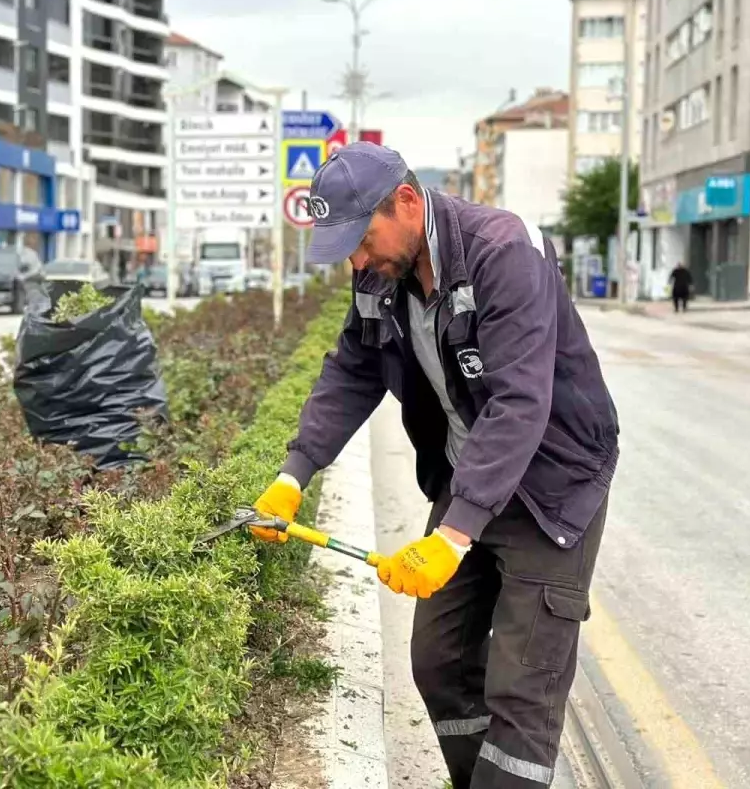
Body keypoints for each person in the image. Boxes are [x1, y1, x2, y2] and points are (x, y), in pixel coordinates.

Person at [251, 142, 619, 789]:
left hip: (551, 488)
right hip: (467, 475)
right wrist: (292, 475)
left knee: (521, 693)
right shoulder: (380, 275)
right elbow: (351, 372)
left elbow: (519, 402)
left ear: (408, 202)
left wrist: (453, 535)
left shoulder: (503, 252)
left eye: (363, 240)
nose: (359, 262)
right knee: (439, 662)